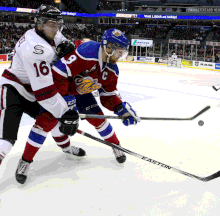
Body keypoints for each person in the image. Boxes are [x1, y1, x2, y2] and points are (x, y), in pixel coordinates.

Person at [0, 4, 82, 210]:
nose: (55, 27)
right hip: (13, 90)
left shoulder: (49, 34)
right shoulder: (34, 48)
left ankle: (66, 148)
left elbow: (63, 41)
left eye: (57, 23)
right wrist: (65, 112)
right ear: (39, 24)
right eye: (51, 23)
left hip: (32, 89)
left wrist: (70, 47)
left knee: (52, 122)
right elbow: (45, 93)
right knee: (5, 140)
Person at [15, 28, 141, 184]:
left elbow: (108, 95)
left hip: (81, 92)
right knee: (45, 123)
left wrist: (119, 107)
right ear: (108, 48)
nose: (120, 56)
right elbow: (58, 73)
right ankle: (25, 161)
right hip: (61, 87)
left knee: (99, 119)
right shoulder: (87, 52)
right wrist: (65, 102)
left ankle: (116, 146)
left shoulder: (112, 70)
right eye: (119, 52)